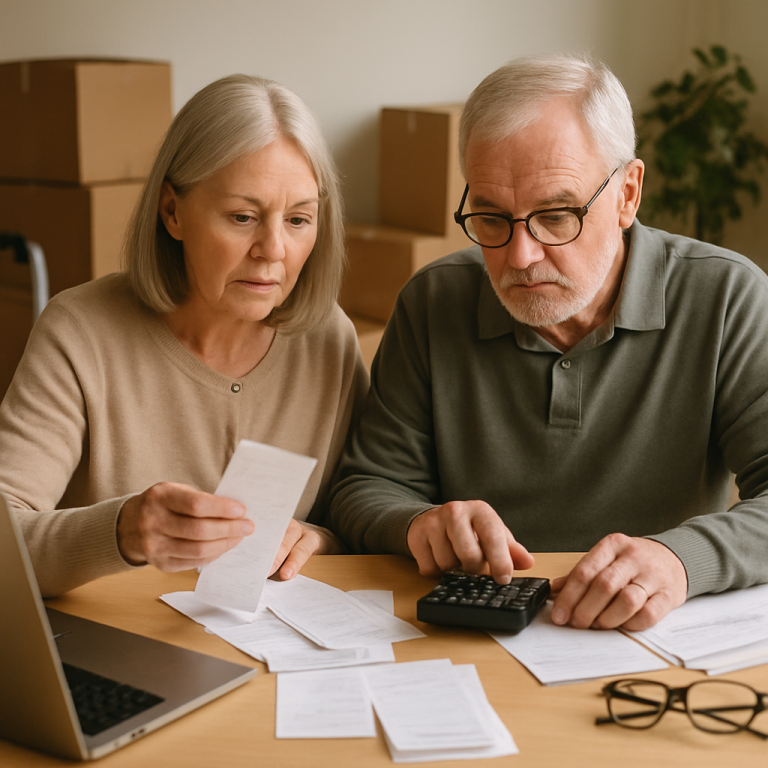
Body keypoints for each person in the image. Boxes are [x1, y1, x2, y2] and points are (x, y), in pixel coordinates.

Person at [328, 53, 768, 632]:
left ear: (628, 195)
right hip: (474, 630)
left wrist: (681, 559)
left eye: (556, 216)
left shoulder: (726, 296)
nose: (520, 257)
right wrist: (419, 523)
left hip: (651, 636)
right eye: (490, 218)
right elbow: (366, 484)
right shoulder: (434, 301)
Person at [0, 74, 368, 597]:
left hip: (274, 655)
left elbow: (357, 512)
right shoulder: (79, 332)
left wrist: (317, 540)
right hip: (112, 654)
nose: (274, 249)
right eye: (243, 216)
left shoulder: (330, 339)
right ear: (172, 211)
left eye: (298, 220)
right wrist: (121, 532)